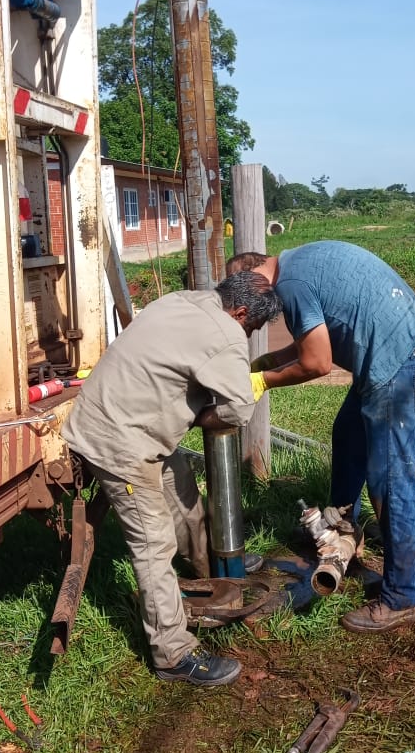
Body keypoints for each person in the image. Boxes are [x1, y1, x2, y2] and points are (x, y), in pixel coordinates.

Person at [62, 272, 282, 686]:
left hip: (133, 424)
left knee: (186, 499)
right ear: (240, 312)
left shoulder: (182, 299)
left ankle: (209, 574)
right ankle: (173, 654)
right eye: (251, 327)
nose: (248, 334)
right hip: (119, 442)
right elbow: (238, 411)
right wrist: (201, 417)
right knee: (153, 541)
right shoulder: (228, 334)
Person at [227, 243, 415, 634]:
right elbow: (315, 337)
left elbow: (317, 362)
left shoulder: (289, 286)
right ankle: (342, 528)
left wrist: (261, 381)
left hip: (401, 361)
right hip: (399, 349)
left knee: (390, 481)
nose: (256, 320)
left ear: (256, 279)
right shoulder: (297, 263)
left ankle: (401, 598)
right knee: (347, 434)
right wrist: (269, 361)